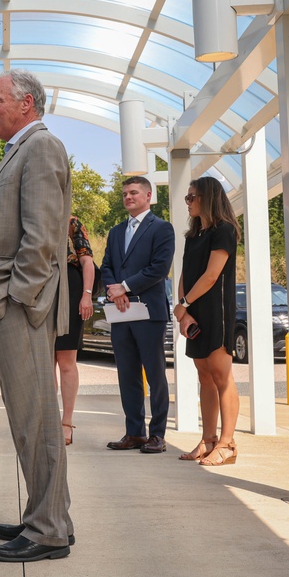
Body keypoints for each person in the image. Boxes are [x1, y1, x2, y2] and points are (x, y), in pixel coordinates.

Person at [0, 69, 73, 563]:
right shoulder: (19, 149)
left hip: (20, 306)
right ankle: (49, 516)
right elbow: (17, 222)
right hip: (12, 303)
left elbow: (42, 235)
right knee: (31, 417)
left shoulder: (41, 147)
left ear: (26, 103)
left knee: (35, 419)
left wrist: (16, 297)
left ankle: (47, 530)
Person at [101, 176, 175, 454]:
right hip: (121, 312)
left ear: (148, 195)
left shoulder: (162, 228)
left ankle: (157, 435)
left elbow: (159, 268)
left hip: (149, 313)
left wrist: (126, 286)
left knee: (155, 374)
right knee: (127, 375)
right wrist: (114, 291)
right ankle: (134, 433)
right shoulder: (116, 231)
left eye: (133, 192)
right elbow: (106, 265)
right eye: (124, 194)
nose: (128, 197)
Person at [174, 177, 240, 466]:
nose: (188, 202)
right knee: (204, 377)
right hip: (194, 311)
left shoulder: (224, 231)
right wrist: (182, 309)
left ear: (207, 198)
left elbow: (212, 276)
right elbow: (186, 274)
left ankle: (228, 444)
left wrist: (185, 303)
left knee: (221, 376)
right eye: (187, 197)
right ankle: (209, 440)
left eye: (192, 197)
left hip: (217, 310)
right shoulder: (194, 235)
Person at [54, 216, 96, 446]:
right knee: (44, 361)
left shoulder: (70, 220)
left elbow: (87, 261)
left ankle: (66, 423)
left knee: (66, 360)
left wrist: (86, 294)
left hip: (69, 286)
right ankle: (49, 421)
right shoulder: (27, 216)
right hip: (37, 289)